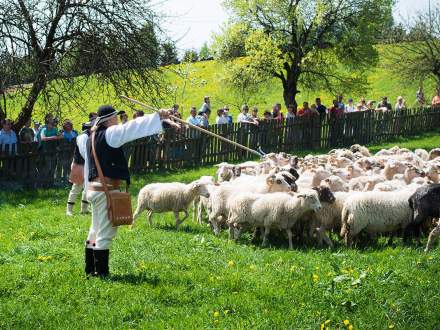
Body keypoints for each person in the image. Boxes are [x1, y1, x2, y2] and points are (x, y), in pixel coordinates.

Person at [85, 105, 169, 278]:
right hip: (104, 190)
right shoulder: (109, 133)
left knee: (95, 229)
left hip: (94, 190)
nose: (117, 120)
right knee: (105, 232)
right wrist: (157, 116)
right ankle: (101, 273)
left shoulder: (91, 137)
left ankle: (90, 269)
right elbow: (131, 128)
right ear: (109, 119)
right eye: (115, 117)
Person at [66, 121, 93, 216]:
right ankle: (69, 210)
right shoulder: (83, 137)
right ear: (89, 128)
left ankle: (84, 209)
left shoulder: (89, 136)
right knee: (76, 187)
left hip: (87, 164)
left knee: (87, 187)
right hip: (79, 165)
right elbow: (84, 152)